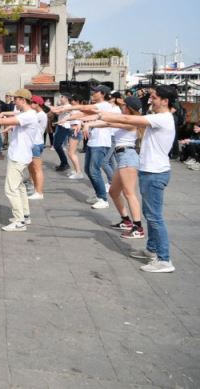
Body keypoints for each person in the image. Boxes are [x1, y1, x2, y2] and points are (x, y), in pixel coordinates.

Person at [73, 86, 177, 273]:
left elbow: (127, 119)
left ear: (165, 101)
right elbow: (123, 119)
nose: (150, 100)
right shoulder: (159, 118)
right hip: (150, 171)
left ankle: (164, 259)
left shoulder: (162, 118)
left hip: (155, 173)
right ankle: (152, 250)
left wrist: (98, 116)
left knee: (154, 217)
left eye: (153, 97)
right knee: (150, 215)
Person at [76, 96, 145, 238]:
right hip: (122, 157)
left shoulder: (131, 122)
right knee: (114, 192)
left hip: (128, 156)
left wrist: (90, 123)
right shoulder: (124, 118)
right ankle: (126, 221)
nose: (121, 107)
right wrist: (88, 123)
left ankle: (138, 227)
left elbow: (109, 123)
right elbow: (108, 122)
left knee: (129, 193)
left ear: (129, 108)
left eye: (124, 105)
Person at [0, 89, 39, 232]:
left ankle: (19, 221)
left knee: (11, 189)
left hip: (19, 157)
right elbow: (10, 116)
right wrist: (4, 114)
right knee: (20, 187)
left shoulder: (28, 116)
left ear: (23, 100)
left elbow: (1, 121)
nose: (13, 101)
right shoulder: (26, 114)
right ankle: (25, 215)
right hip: (20, 155)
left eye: (15, 99)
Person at [27, 96, 48, 200]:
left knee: (37, 169)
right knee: (32, 168)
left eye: (32, 102)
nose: (31, 104)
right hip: (35, 142)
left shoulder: (40, 115)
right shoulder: (37, 114)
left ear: (38, 104)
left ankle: (39, 192)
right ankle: (35, 187)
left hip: (36, 143)